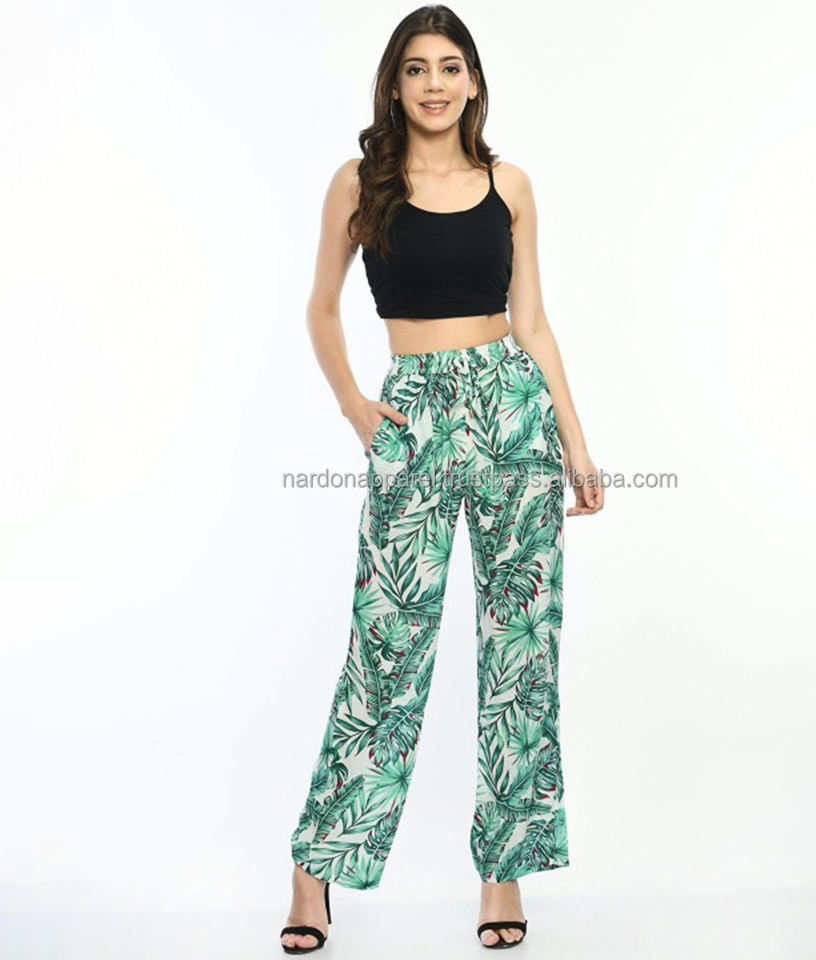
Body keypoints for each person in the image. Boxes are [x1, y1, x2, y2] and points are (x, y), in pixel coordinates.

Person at [280, 5, 603, 953]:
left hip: (512, 411)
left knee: (519, 654)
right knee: (386, 648)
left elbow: (533, 323)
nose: (433, 84)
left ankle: (503, 873)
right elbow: (321, 308)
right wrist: (355, 406)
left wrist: (576, 444)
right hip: (412, 415)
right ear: (394, 83)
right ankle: (315, 870)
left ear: (473, 81)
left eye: (450, 66)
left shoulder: (511, 185)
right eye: (416, 68)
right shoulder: (359, 184)